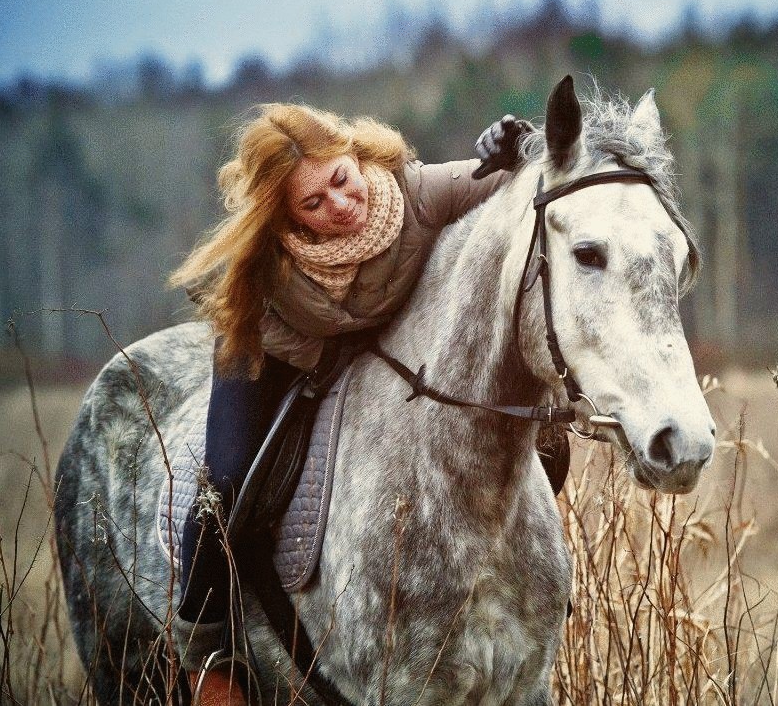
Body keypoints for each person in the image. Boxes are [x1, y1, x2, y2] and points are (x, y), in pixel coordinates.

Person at [166, 103, 531, 704]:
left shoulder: (415, 193)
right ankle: (208, 655)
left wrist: (512, 142)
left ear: (357, 156)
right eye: (313, 204)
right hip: (272, 354)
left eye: (341, 179)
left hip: (371, 354)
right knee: (224, 484)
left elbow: (509, 179)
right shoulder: (268, 259)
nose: (339, 205)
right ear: (287, 216)